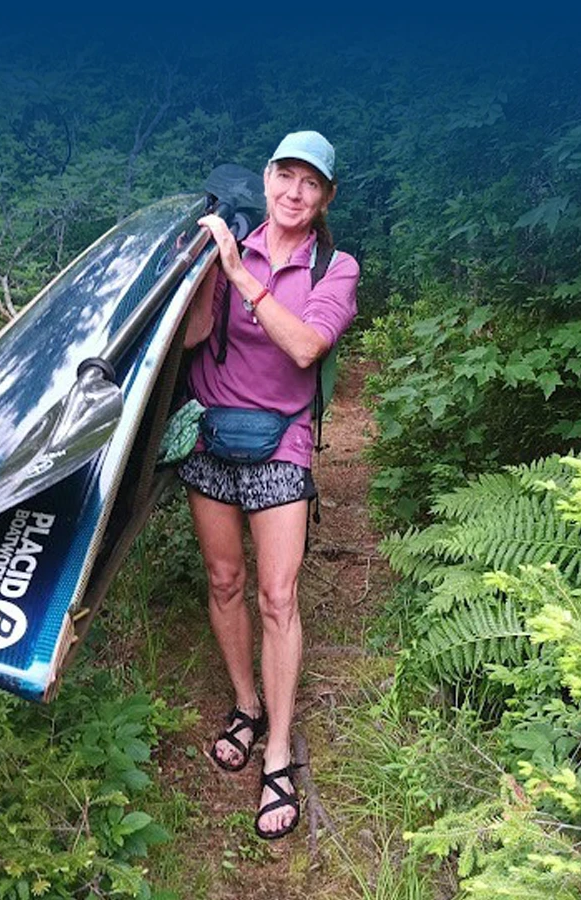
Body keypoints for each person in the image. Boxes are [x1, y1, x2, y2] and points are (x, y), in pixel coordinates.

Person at [180, 131, 359, 840]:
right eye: (284, 176)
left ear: (325, 198)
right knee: (224, 581)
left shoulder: (334, 267)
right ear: (266, 179)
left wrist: (242, 274)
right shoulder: (232, 246)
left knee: (276, 595)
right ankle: (247, 706)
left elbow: (308, 347)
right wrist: (200, 273)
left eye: (310, 183)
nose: (293, 192)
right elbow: (194, 337)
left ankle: (278, 751)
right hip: (211, 435)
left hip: (282, 442)